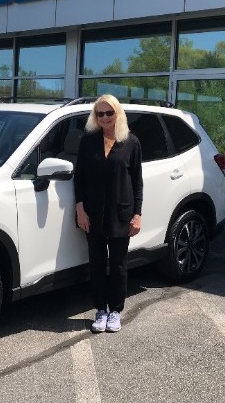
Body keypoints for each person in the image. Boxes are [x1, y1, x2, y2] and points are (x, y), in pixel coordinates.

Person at [74, 94, 143, 333]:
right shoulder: (88, 141)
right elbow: (79, 179)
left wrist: (137, 214)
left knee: (118, 265)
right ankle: (100, 310)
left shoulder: (131, 142)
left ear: (118, 114)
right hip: (92, 214)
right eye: (99, 114)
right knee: (96, 264)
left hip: (121, 214)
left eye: (109, 113)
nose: (104, 118)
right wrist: (80, 209)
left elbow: (137, 183)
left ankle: (115, 311)